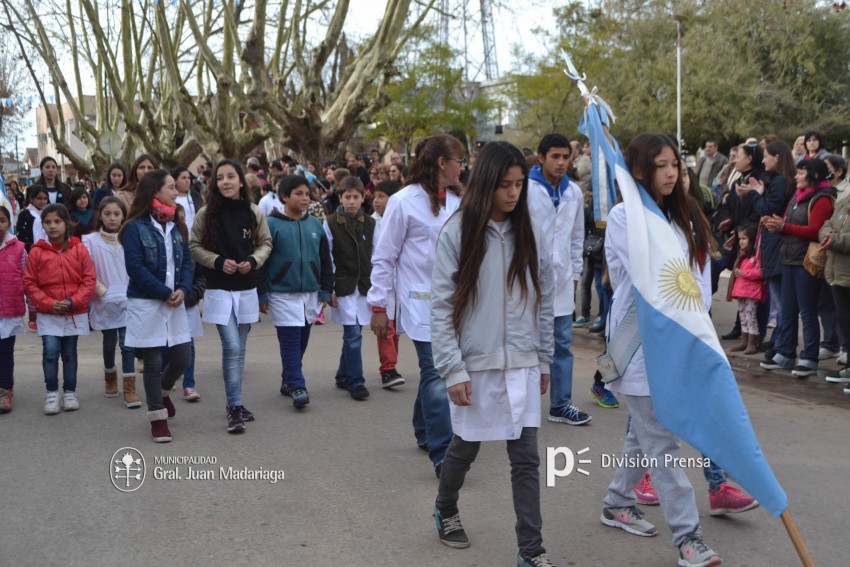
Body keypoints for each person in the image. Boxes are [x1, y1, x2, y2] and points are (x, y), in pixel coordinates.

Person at [430, 141, 556, 567]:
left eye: (519, 184)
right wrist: (452, 369)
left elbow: (545, 298)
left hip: (521, 361)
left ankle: (531, 552)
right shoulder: (458, 231)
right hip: (475, 365)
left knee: (525, 460)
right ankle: (446, 507)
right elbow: (443, 306)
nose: (513, 193)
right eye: (505, 184)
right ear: (486, 183)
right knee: (465, 449)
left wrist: (543, 359)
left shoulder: (530, 231)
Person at [601, 133, 721, 567]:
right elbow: (650, 277)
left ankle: (616, 501)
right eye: (662, 166)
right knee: (662, 444)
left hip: (678, 346)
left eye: (677, 164)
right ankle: (689, 539)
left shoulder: (679, 217)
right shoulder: (622, 217)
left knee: (644, 436)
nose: (673, 173)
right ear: (638, 171)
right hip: (638, 348)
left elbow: (696, 287)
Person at [368, 134, 465, 476]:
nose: (462, 167)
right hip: (420, 301)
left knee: (435, 373)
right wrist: (379, 306)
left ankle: (424, 427)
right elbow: (384, 257)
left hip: (456, 301)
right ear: (442, 163)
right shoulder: (403, 202)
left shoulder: (458, 200)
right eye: (459, 160)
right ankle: (443, 453)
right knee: (438, 372)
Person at [190, 160, 272, 433]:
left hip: (247, 288)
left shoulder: (253, 212)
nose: (225, 181)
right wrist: (216, 261)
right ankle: (234, 406)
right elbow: (194, 246)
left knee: (241, 349)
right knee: (232, 347)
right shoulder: (205, 213)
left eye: (231, 176)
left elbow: (265, 243)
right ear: (215, 183)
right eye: (220, 177)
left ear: (240, 181)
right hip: (219, 289)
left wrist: (253, 260)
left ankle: (235, 402)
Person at [120, 170, 193, 442]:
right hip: (146, 302)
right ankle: (157, 417)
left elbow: (187, 262)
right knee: (152, 362)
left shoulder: (177, 223)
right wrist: (164, 292)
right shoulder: (134, 228)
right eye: (172, 188)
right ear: (155, 192)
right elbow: (135, 268)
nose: (176, 192)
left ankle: (163, 390)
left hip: (175, 301)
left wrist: (184, 289)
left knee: (183, 357)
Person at [527, 133, 590, 426]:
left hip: (563, 282)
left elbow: (577, 237)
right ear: (541, 158)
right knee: (525, 342)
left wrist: (576, 273)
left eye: (566, 157)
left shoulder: (574, 193)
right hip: (528, 280)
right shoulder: (525, 189)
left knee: (562, 343)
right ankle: (522, 404)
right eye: (555, 156)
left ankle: (561, 404)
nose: (562, 162)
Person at [259, 175, 333, 409]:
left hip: (310, 293)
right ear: (285, 196)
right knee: (290, 341)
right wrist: (261, 294)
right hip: (281, 293)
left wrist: (326, 289)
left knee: (302, 340)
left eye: (307, 194)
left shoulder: (315, 225)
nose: (304, 198)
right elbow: (261, 262)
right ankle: (298, 385)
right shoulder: (271, 224)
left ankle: (287, 379)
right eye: (298, 194)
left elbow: (325, 259)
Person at [761, 158, 835, 376]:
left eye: (801, 172)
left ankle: (810, 357)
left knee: (807, 311)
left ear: (813, 174)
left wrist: (785, 227)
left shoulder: (822, 199)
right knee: (788, 310)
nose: (796, 176)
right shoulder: (797, 195)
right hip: (788, 259)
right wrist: (776, 225)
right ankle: (785, 353)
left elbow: (815, 231)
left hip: (806, 263)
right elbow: (789, 223)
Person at [23, 204, 96, 415]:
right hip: (49, 312)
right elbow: (29, 283)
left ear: (67, 223)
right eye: (48, 222)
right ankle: (52, 392)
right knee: (50, 352)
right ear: (42, 225)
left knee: (70, 353)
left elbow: (89, 279)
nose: (53, 226)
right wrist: (47, 303)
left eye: (57, 221)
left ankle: (70, 392)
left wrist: (74, 301)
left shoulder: (79, 248)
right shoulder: (36, 252)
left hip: (73, 311)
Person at [82, 197, 141, 408]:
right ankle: (110, 378)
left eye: (117, 214)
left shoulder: (131, 238)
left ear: (124, 215)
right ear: (100, 215)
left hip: (129, 297)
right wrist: (102, 291)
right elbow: (86, 269)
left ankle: (129, 388)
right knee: (109, 343)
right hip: (105, 300)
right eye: (108, 214)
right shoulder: (90, 241)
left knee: (127, 344)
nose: (112, 218)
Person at [324, 176, 375, 400]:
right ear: (340, 197)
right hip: (343, 285)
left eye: (356, 197)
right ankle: (356, 381)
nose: (352, 201)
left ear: (363, 198)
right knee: (353, 333)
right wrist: (329, 287)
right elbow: (327, 257)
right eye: (347, 197)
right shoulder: (331, 222)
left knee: (355, 332)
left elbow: (378, 256)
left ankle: (343, 375)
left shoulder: (372, 223)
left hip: (364, 286)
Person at [371, 180, 404, 388]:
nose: (376, 201)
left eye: (381, 196)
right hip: (382, 284)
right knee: (386, 328)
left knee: (396, 330)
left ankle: (391, 366)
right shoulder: (371, 223)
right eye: (375, 196)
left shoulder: (402, 219)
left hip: (401, 284)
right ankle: (388, 369)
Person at [820, 175, 850, 391]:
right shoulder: (844, 201)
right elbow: (827, 223)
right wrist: (827, 233)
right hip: (838, 273)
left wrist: (835, 240)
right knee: (844, 320)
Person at [0, 206, 26, 413]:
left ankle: (5, 388)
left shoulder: (18, 248)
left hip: (9, 310)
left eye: (1, 220)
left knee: (5, 351)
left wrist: (34, 308)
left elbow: (27, 278)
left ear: (9, 223)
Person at [727, 223, 765, 354]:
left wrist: (745, 273)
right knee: (743, 316)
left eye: (744, 239)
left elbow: (760, 273)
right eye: (740, 239)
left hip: (751, 292)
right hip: (742, 291)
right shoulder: (742, 255)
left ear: (752, 239)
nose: (741, 242)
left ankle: (752, 343)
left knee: (750, 316)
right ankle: (744, 341)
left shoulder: (756, 256)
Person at [171, 166, 204, 234]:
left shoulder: (196, 196)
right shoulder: (171, 198)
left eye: (189, 178)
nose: (187, 180)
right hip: (179, 239)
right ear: (175, 181)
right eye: (184, 178)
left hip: (196, 239)